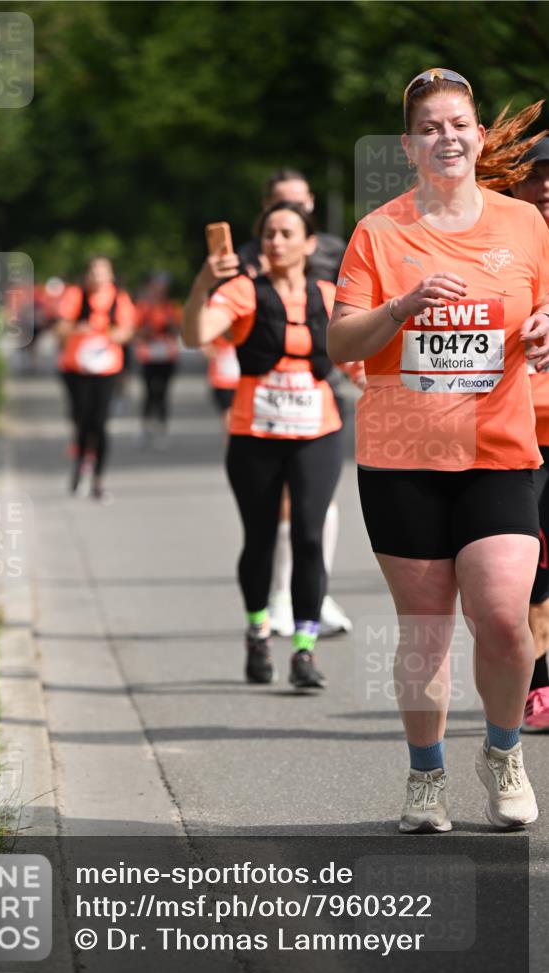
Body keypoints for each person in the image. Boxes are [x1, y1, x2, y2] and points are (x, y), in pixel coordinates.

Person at [327, 68, 549, 832]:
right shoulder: (378, 233)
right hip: (402, 459)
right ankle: (425, 777)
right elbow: (340, 341)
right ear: (407, 146)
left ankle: (502, 752)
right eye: (428, 128)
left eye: (457, 124)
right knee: (424, 632)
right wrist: (399, 306)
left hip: (498, 451)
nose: (445, 137)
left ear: (478, 136)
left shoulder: (524, 224)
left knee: (503, 617)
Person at [183, 201, 351, 690]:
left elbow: (357, 359)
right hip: (254, 435)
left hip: (317, 432)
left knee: (309, 537)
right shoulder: (242, 291)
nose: (276, 242)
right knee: (259, 540)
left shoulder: (329, 295)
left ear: (309, 243)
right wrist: (202, 283)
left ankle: (304, 649)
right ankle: (258, 631)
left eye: (287, 233)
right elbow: (195, 334)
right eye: (269, 234)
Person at [239, 168, 353, 638]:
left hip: (325, 383)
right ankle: (279, 595)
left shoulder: (334, 250)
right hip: (267, 392)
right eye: (282, 204)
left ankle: (315, 594)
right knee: (280, 507)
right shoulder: (248, 259)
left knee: (318, 503)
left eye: (302, 203)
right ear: (266, 208)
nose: (293, 211)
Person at [511, 137, 549, 732]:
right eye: (533, 176)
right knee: (527, 571)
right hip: (516, 431)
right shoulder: (496, 247)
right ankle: (536, 686)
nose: (544, 187)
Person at [55, 255, 135, 499]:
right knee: (82, 421)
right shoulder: (75, 295)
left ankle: (98, 478)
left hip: (105, 369)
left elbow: (126, 331)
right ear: (87, 275)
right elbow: (60, 328)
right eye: (94, 272)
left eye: (103, 272)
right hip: (76, 369)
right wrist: (77, 329)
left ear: (110, 275)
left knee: (99, 423)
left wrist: (106, 334)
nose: (98, 277)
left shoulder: (119, 298)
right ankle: (80, 466)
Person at [133, 272, 182, 450]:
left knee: (163, 392)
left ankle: (161, 428)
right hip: (148, 355)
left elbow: (179, 328)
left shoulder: (172, 307)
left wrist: (170, 327)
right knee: (148, 392)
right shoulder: (143, 307)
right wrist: (147, 331)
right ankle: (146, 428)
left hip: (167, 355)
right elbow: (135, 329)